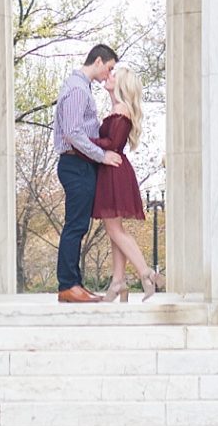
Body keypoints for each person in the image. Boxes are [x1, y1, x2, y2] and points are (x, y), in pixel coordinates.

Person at [52, 43, 122, 303]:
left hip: (80, 164)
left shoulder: (82, 88)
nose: (109, 74)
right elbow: (73, 133)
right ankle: (68, 285)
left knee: (78, 225)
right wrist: (102, 156)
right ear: (99, 61)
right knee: (75, 225)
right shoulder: (77, 89)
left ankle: (74, 283)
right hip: (75, 164)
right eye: (110, 68)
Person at [93, 64, 162, 299]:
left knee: (114, 229)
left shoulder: (121, 109)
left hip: (114, 173)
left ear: (121, 84)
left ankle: (146, 272)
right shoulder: (117, 107)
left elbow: (112, 143)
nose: (108, 76)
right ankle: (118, 281)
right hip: (113, 171)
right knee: (115, 230)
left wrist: (85, 140)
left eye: (114, 75)